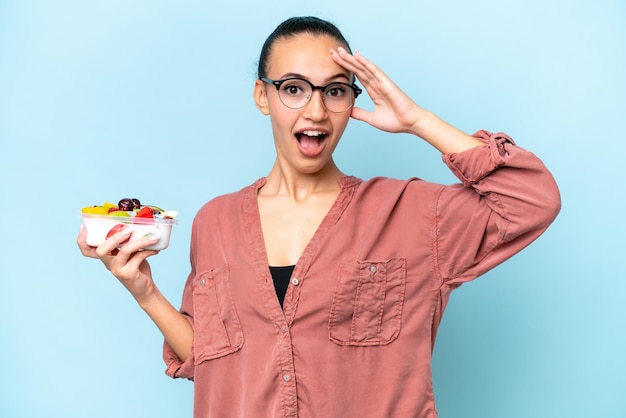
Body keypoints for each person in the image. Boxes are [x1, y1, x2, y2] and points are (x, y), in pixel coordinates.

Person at [77, 16, 560, 418]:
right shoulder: (214, 222)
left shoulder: (413, 215)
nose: (316, 109)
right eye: (293, 88)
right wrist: (143, 291)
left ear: (352, 101)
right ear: (262, 97)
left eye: (334, 91)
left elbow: (530, 198)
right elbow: (216, 364)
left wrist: (416, 121)